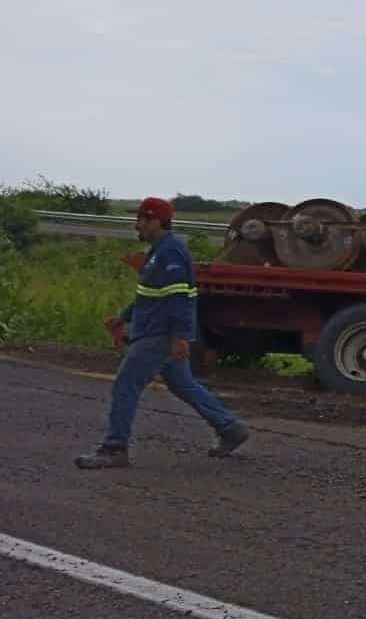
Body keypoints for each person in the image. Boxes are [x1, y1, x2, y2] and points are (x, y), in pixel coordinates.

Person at [74, 197, 250, 469]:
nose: (137, 226)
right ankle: (229, 428)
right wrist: (123, 318)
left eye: (141, 220)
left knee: (125, 384)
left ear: (155, 221)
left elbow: (179, 298)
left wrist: (180, 337)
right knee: (181, 383)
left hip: (159, 334)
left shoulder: (170, 253)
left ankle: (114, 448)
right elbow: (150, 295)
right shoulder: (159, 252)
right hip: (157, 330)